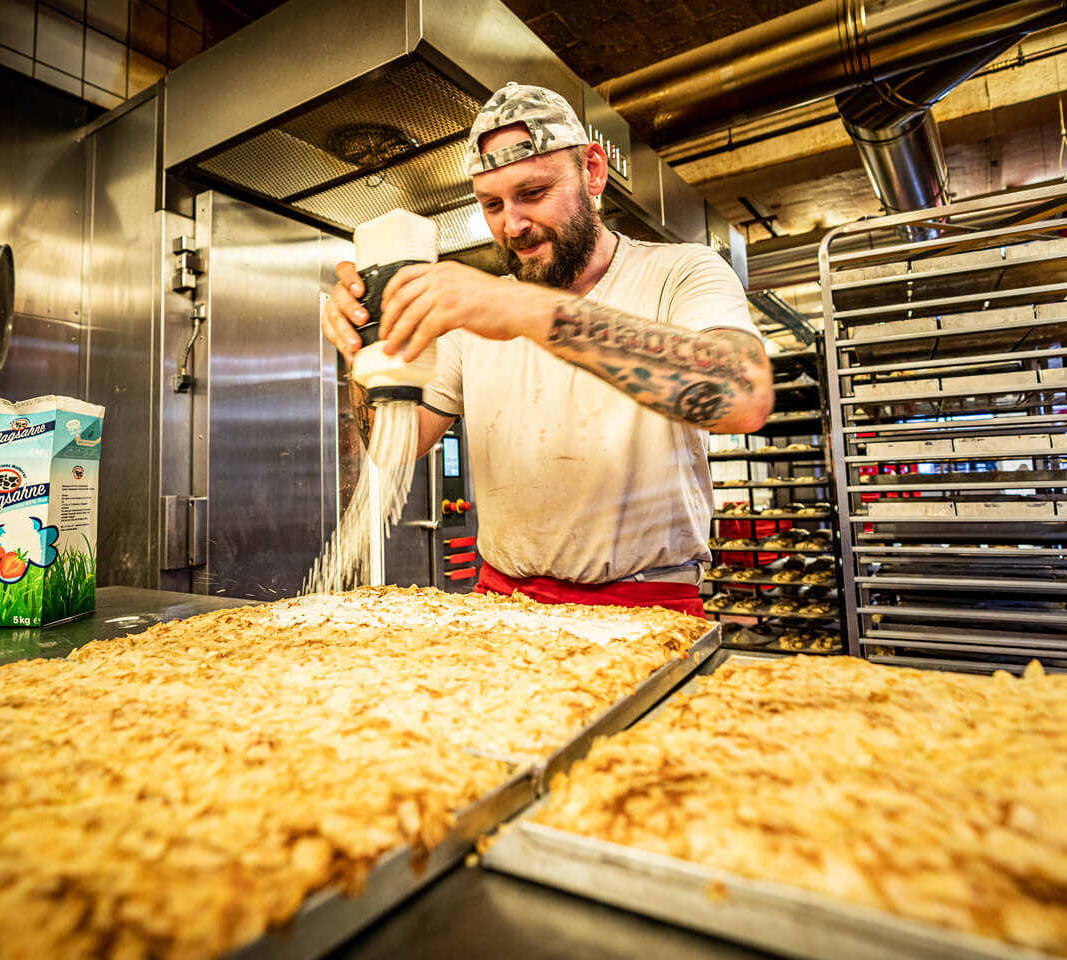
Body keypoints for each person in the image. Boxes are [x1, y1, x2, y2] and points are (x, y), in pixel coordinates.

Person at [321, 82, 773, 617]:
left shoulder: (678, 273)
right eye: (492, 204)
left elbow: (741, 395)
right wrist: (366, 352)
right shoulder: (472, 320)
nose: (512, 225)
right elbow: (392, 448)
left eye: (533, 193)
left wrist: (524, 311)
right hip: (504, 607)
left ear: (593, 172)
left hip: (645, 605)